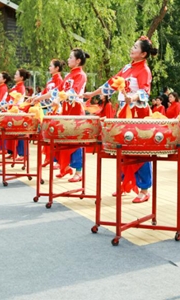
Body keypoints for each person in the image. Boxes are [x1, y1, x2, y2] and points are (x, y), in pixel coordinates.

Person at [84, 36, 158, 203]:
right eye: (133, 46)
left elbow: (145, 92)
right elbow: (110, 84)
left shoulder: (144, 70)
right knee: (123, 148)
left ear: (143, 54)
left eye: (136, 47)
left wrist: (133, 97)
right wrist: (92, 94)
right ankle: (124, 183)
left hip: (138, 113)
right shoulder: (127, 68)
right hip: (124, 112)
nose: (132, 49)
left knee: (140, 149)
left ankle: (144, 189)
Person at [54, 49, 90, 182]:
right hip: (66, 110)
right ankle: (65, 167)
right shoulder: (69, 75)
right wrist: (39, 98)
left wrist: (59, 98)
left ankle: (79, 172)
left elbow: (73, 91)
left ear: (78, 61)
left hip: (76, 111)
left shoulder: (81, 75)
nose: (68, 60)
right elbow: (57, 90)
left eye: (70, 57)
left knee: (76, 142)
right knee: (65, 140)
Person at [8, 68, 31, 161]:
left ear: (21, 77)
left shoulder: (21, 87)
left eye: (16, 74)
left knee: (21, 133)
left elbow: (16, 100)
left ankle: (23, 154)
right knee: (12, 133)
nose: (14, 75)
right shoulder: (16, 86)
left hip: (18, 110)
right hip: (12, 110)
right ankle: (13, 151)